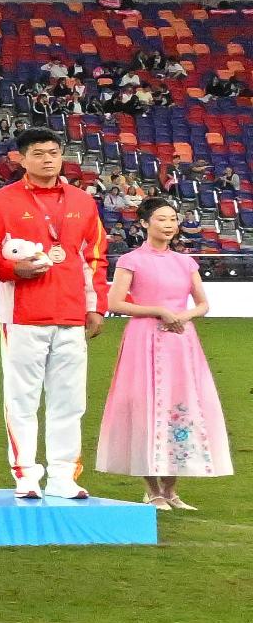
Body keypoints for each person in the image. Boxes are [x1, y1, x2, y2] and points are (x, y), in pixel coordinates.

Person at [0, 125, 106, 501]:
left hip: (70, 314)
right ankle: (25, 474)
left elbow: (95, 256)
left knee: (70, 401)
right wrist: (13, 270)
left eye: (53, 152)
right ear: (21, 159)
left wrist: (95, 305)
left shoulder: (82, 201)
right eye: (38, 153)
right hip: (23, 315)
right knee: (22, 399)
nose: (47, 159)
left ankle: (63, 475)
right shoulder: (1, 202)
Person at [98, 197, 228, 509]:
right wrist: (158, 311)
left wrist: (183, 316)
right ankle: (152, 489)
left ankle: (171, 490)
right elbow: (115, 302)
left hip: (180, 342)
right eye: (161, 219)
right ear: (144, 223)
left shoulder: (185, 262)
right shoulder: (131, 260)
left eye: (172, 219)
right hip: (144, 339)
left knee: (180, 405)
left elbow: (202, 303)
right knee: (145, 407)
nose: (169, 225)